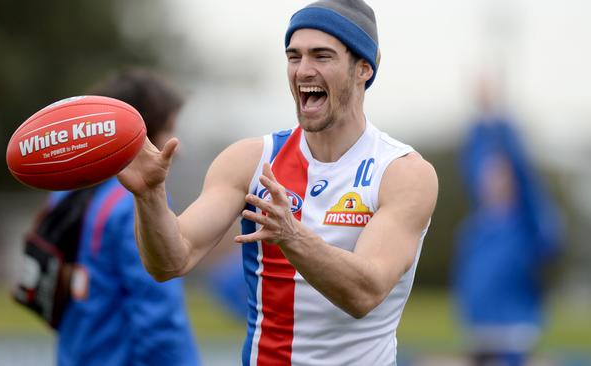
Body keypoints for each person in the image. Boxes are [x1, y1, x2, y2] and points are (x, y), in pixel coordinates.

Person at [119, 1, 438, 365]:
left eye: (322, 56)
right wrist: (149, 196)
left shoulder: (402, 172)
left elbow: (365, 292)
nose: (303, 70)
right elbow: (171, 261)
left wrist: (292, 235)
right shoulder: (250, 161)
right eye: (294, 56)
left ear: (363, 68)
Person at [54, 68, 200, 366]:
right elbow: (160, 320)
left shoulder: (66, 193)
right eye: (169, 129)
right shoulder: (138, 204)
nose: (177, 145)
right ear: (137, 134)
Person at [452, 79, 563, 366]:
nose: (491, 179)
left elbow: (525, 173)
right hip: (478, 331)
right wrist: (479, 120)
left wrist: (497, 117)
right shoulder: (475, 225)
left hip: (513, 333)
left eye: (500, 173)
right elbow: (472, 163)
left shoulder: (529, 221)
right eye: (488, 173)